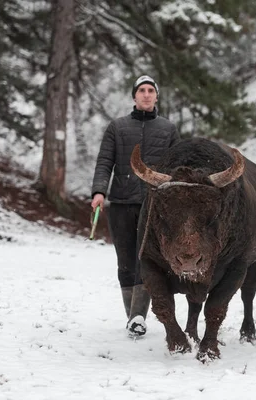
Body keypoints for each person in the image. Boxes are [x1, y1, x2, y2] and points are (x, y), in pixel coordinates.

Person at [91, 75, 179, 336]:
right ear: (134, 96)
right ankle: (133, 315)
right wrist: (98, 192)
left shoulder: (168, 129)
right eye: (142, 90)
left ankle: (138, 317)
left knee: (146, 260)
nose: (146, 94)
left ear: (156, 96)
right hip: (121, 203)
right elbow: (104, 162)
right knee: (125, 261)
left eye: (151, 90)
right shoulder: (117, 128)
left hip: (154, 205)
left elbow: (177, 168)